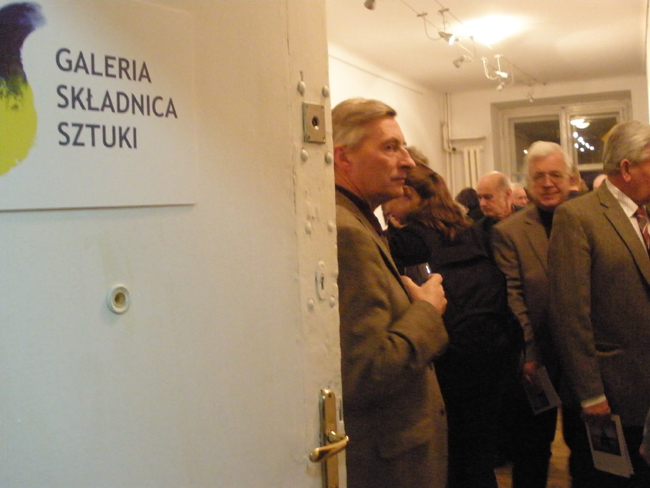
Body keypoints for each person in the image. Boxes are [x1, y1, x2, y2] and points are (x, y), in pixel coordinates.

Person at [383, 149, 521, 488]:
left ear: (409, 194)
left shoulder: (408, 240)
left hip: (446, 361)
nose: (387, 209)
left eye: (392, 200)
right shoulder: (471, 230)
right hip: (491, 356)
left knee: (448, 460)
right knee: (478, 457)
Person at [332, 98, 449, 488]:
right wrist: (427, 312)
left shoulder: (359, 222)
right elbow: (364, 372)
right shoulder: (347, 233)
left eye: (403, 147)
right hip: (388, 462)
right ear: (343, 158)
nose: (408, 162)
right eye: (390, 147)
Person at [548, 120, 650, 487]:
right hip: (610, 394)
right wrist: (591, 394)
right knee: (608, 479)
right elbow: (570, 315)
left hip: (645, 392)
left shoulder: (645, 214)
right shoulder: (578, 216)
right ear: (627, 168)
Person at [492, 141, 574, 488]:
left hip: (585, 357)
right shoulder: (508, 233)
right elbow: (513, 296)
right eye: (539, 176)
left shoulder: (586, 221)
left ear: (570, 179)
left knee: (588, 446)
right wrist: (528, 353)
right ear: (527, 184)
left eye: (555, 174)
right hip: (537, 360)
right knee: (533, 449)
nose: (548, 183)